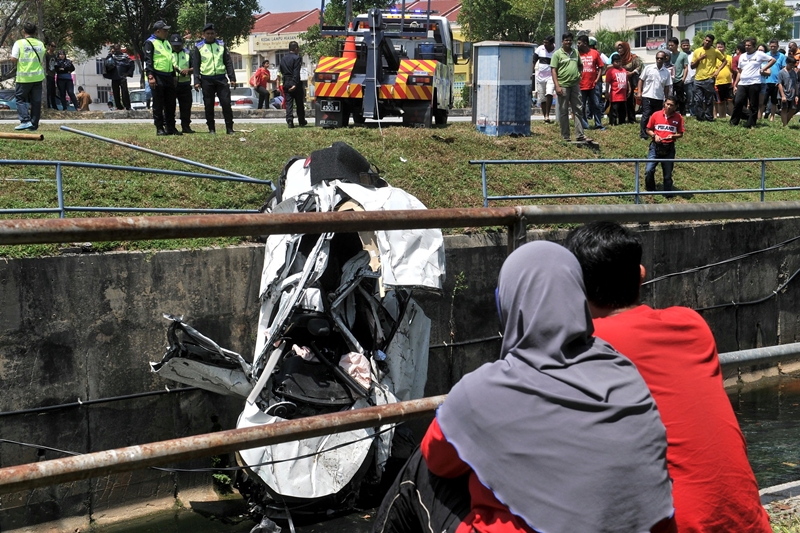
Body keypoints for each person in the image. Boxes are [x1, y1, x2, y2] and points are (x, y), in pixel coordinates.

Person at [372, 240, 676, 533]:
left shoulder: (483, 391)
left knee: (419, 469)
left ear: (506, 305)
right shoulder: (624, 370)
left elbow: (438, 461)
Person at [564, 221, 773, 533]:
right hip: (747, 523)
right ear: (641, 274)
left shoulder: (584, 347)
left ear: (573, 286)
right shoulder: (691, 324)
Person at [193, 22, 236, 135]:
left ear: (215, 34)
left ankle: (229, 128)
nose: (210, 35)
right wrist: (196, 81)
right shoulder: (199, 47)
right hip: (207, 79)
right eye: (208, 33)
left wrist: (232, 78)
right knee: (208, 105)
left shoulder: (221, 45)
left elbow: (228, 62)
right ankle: (211, 128)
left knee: (226, 103)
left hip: (221, 78)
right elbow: (196, 65)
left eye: (212, 33)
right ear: (204, 34)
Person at [551, 32, 591, 142]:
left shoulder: (575, 52)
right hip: (563, 85)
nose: (568, 42)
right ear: (562, 41)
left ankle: (580, 135)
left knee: (578, 109)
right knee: (563, 111)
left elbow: (580, 65)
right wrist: (557, 86)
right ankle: (565, 136)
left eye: (570, 40)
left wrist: (579, 75)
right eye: (566, 40)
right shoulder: (557, 54)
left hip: (575, 85)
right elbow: (553, 70)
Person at [730, 37, 775, 129]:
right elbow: (739, 71)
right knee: (738, 101)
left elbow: (773, 60)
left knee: (753, 104)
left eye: (749, 45)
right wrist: (735, 84)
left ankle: (751, 123)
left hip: (754, 82)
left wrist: (763, 69)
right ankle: (734, 122)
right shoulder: (742, 56)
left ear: (754, 46)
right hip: (742, 83)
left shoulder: (759, 54)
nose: (747, 47)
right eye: (746, 45)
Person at [144, 20, 179, 136]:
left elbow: (171, 60)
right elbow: (148, 60)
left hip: (168, 75)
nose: (167, 32)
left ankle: (171, 127)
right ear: (158, 31)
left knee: (171, 104)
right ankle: (159, 128)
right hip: (157, 75)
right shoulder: (150, 42)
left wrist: (174, 76)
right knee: (158, 104)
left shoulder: (167, 43)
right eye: (165, 30)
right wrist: (150, 76)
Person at [644, 95, 683, 194]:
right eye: (667, 104)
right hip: (655, 147)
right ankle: (650, 191)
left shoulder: (679, 118)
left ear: (676, 107)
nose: (669, 107)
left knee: (667, 174)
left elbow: (680, 133)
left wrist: (673, 136)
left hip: (669, 148)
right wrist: (654, 135)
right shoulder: (656, 115)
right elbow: (648, 129)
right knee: (649, 170)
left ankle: (667, 193)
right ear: (664, 104)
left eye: (671, 105)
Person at [10, 22, 45, 130]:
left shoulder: (19, 43)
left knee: (19, 99)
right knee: (36, 101)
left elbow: (14, 58)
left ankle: (25, 120)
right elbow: (41, 57)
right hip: (38, 77)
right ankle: (34, 125)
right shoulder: (40, 44)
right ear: (35, 32)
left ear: (23, 31)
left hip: (24, 77)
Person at [691, 34, 726, 121]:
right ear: (704, 40)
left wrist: (717, 71)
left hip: (709, 79)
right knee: (697, 100)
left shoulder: (715, 51)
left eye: (709, 41)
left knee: (709, 100)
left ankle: (709, 117)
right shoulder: (697, 51)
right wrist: (699, 59)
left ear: (712, 43)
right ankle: (700, 117)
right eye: (706, 40)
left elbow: (724, 61)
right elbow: (692, 66)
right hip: (698, 79)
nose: (707, 42)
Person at [637, 51, 672, 140]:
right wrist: (639, 92)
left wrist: (667, 98)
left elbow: (667, 86)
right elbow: (641, 80)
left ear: (665, 59)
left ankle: (655, 133)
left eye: (661, 58)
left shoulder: (666, 72)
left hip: (659, 97)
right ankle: (643, 134)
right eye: (657, 58)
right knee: (646, 115)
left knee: (656, 116)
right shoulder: (648, 68)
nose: (659, 60)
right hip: (647, 95)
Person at [577, 34, 604, 130]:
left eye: (579, 43)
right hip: (581, 85)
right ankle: (585, 125)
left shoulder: (595, 53)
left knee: (596, 105)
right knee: (582, 106)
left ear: (585, 43)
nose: (578, 44)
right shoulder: (577, 54)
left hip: (593, 85)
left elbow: (601, 67)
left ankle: (598, 124)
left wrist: (597, 79)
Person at [170, 34, 195, 133]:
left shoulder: (189, 53)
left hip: (185, 84)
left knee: (186, 107)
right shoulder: (167, 53)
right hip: (171, 85)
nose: (176, 47)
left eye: (178, 45)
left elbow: (195, 68)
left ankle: (186, 126)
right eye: (174, 45)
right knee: (170, 107)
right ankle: (170, 126)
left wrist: (188, 70)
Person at [279, 40, 307, 128]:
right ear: (296, 48)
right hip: (295, 82)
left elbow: (281, 70)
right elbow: (296, 71)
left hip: (286, 81)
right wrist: (295, 83)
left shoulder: (283, 58)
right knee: (299, 103)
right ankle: (301, 120)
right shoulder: (297, 58)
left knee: (288, 103)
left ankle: (289, 120)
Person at [617, 41, 643, 123]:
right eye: (618, 48)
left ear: (626, 48)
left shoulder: (633, 57)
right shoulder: (618, 58)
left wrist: (632, 72)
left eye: (621, 48)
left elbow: (639, 67)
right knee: (621, 100)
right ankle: (622, 118)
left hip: (630, 80)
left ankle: (631, 118)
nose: (619, 50)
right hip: (620, 80)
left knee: (630, 99)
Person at [532, 36, 556, 123]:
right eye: (544, 42)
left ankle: (547, 115)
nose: (544, 44)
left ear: (552, 43)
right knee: (542, 99)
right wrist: (531, 73)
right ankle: (545, 117)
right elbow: (534, 61)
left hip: (551, 76)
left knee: (549, 93)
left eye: (547, 43)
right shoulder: (540, 49)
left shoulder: (556, 50)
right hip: (540, 77)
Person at [105, 44, 135, 110]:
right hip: (114, 77)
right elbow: (106, 62)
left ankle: (127, 106)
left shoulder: (125, 56)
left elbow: (132, 64)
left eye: (118, 49)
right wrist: (110, 53)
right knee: (115, 92)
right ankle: (119, 106)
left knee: (125, 92)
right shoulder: (112, 56)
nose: (117, 50)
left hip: (122, 77)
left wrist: (128, 73)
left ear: (120, 49)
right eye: (115, 49)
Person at [762, 38, 786, 122]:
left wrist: (781, 81)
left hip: (776, 82)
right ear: (769, 46)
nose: (773, 48)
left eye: (774, 46)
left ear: (778, 46)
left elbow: (783, 69)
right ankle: (760, 116)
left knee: (774, 101)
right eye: (771, 46)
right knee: (763, 101)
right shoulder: (766, 55)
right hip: (766, 81)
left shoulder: (782, 56)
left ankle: (772, 116)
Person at [605, 52, 630, 125]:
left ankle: (622, 122)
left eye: (619, 61)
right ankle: (613, 122)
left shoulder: (624, 70)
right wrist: (607, 92)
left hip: (623, 95)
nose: (618, 63)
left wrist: (629, 88)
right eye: (616, 62)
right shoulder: (610, 71)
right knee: (614, 110)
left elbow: (627, 80)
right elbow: (607, 83)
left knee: (622, 110)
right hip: (615, 95)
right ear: (613, 63)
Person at [667, 38, 688, 115]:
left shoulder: (683, 55)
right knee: (670, 97)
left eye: (672, 45)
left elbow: (686, 67)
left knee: (680, 97)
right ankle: (671, 112)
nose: (670, 47)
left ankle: (683, 113)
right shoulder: (669, 55)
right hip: (670, 80)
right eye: (669, 45)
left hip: (679, 79)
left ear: (676, 45)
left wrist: (683, 78)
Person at [714, 42, 734, 118]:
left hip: (728, 82)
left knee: (730, 100)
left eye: (721, 47)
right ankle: (722, 118)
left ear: (725, 48)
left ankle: (733, 116)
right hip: (717, 83)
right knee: (720, 102)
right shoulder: (714, 58)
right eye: (718, 47)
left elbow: (732, 69)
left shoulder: (729, 57)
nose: (719, 49)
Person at [778, 55, 799, 126]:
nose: (792, 66)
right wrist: (783, 96)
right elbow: (779, 84)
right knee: (784, 109)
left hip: (792, 94)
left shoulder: (794, 72)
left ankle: (785, 121)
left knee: (793, 109)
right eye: (790, 64)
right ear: (787, 63)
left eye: (793, 65)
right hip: (784, 93)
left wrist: (796, 94)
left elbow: (796, 83)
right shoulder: (781, 72)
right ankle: (785, 125)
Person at [681, 39, 695, 115]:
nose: (686, 47)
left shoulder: (694, 54)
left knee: (694, 98)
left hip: (694, 79)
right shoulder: (679, 55)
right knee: (686, 98)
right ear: (681, 46)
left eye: (687, 45)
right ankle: (687, 114)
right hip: (683, 80)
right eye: (684, 45)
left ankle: (695, 114)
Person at [44, 41, 58, 110]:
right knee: (48, 91)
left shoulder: (54, 55)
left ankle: (54, 106)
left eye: (54, 46)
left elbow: (55, 64)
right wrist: (46, 72)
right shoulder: (46, 54)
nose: (53, 48)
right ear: (49, 46)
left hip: (53, 75)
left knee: (53, 92)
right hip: (48, 75)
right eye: (52, 46)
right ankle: (48, 105)